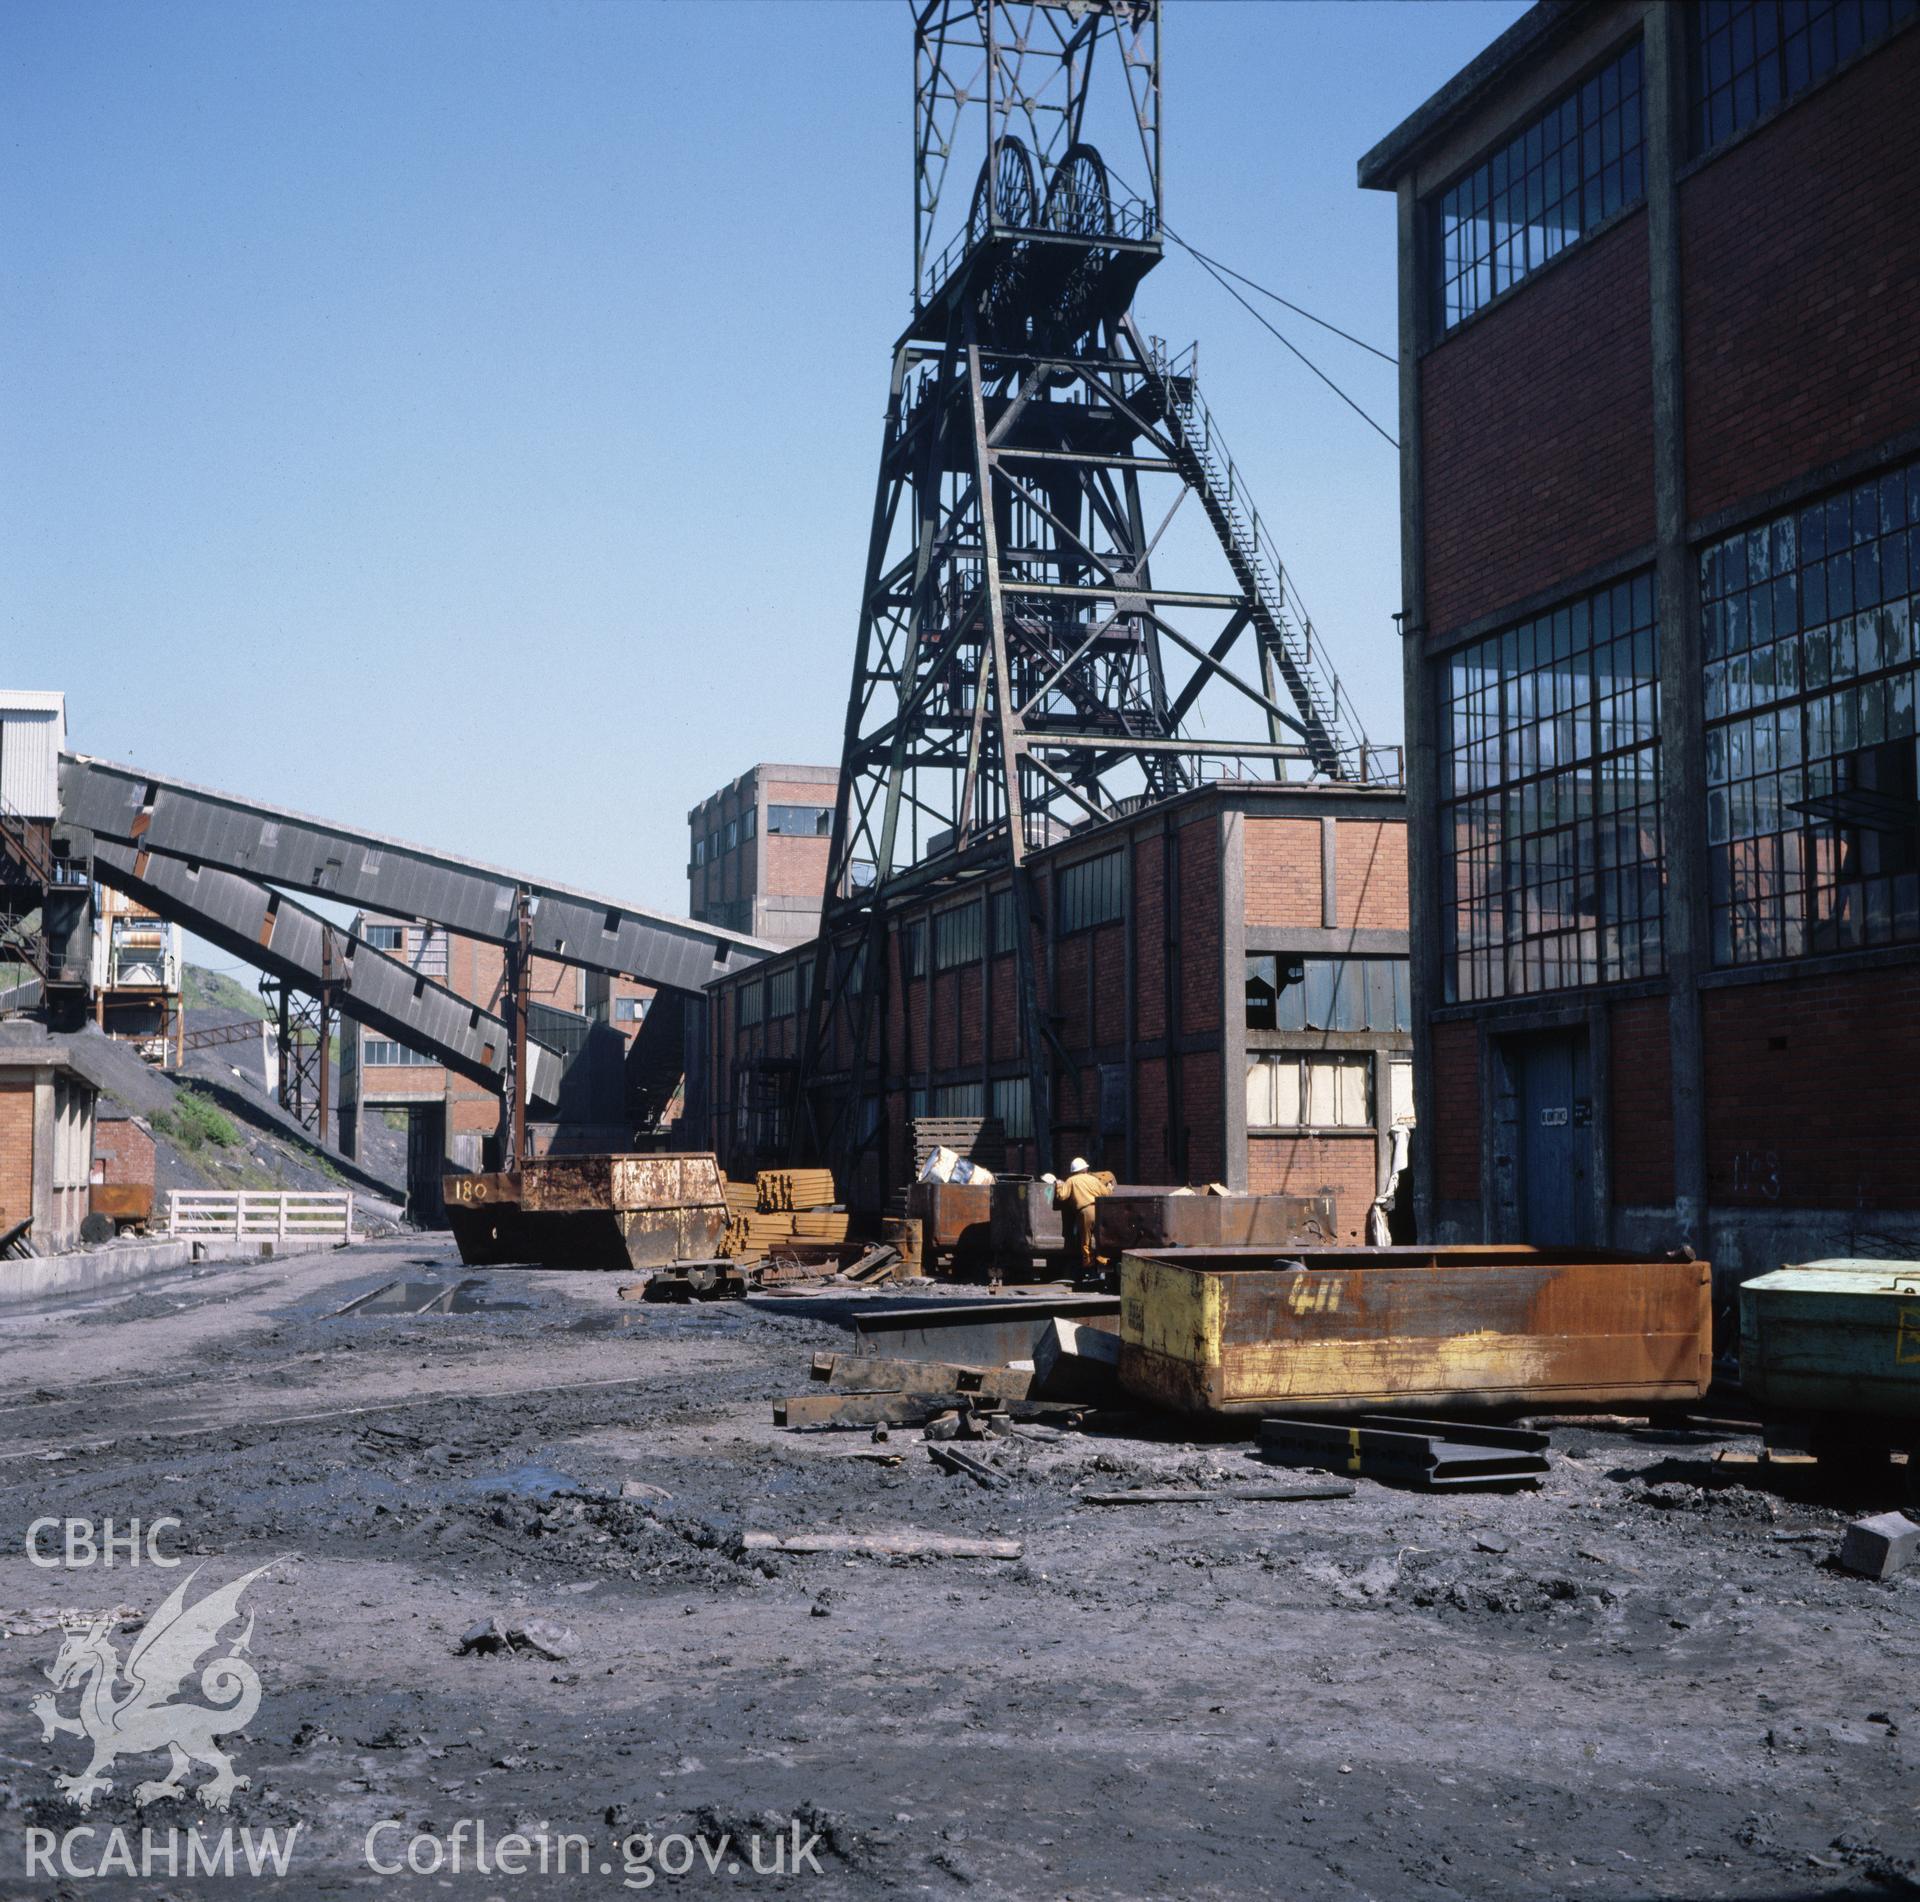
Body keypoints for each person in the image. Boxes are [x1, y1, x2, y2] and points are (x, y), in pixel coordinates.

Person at [1045, 1155, 1111, 1279]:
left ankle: (1089, 1268)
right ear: (1085, 1169)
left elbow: (1062, 1196)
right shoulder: (1093, 1179)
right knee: (1101, 1240)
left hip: (1085, 1211)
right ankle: (1104, 1264)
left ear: (1074, 1171)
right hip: (1099, 1210)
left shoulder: (1071, 1181)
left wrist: (1058, 1184)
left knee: (1085, 1242)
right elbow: (1107, 1193)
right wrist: (1109, 1187)